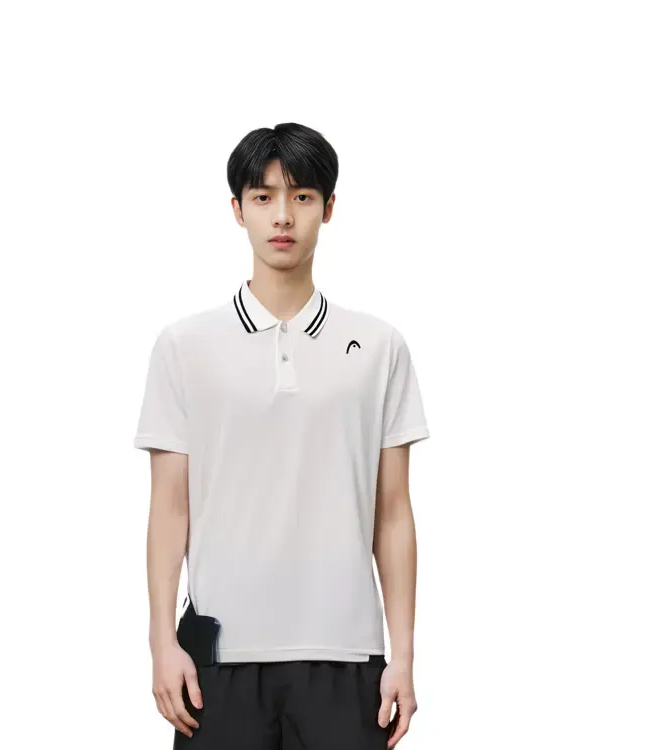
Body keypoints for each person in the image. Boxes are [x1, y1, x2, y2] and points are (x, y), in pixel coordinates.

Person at [133, 122, 430, 750]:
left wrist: (402, 655)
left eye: (302, 196)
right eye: (263, 197)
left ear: (329, 207)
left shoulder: (379, 347)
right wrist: (161, 642)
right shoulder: (185, 346)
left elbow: (393, 513)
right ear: (237, 210)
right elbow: (169, 508)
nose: (283, 216)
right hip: (218, 661)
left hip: (346, 655)